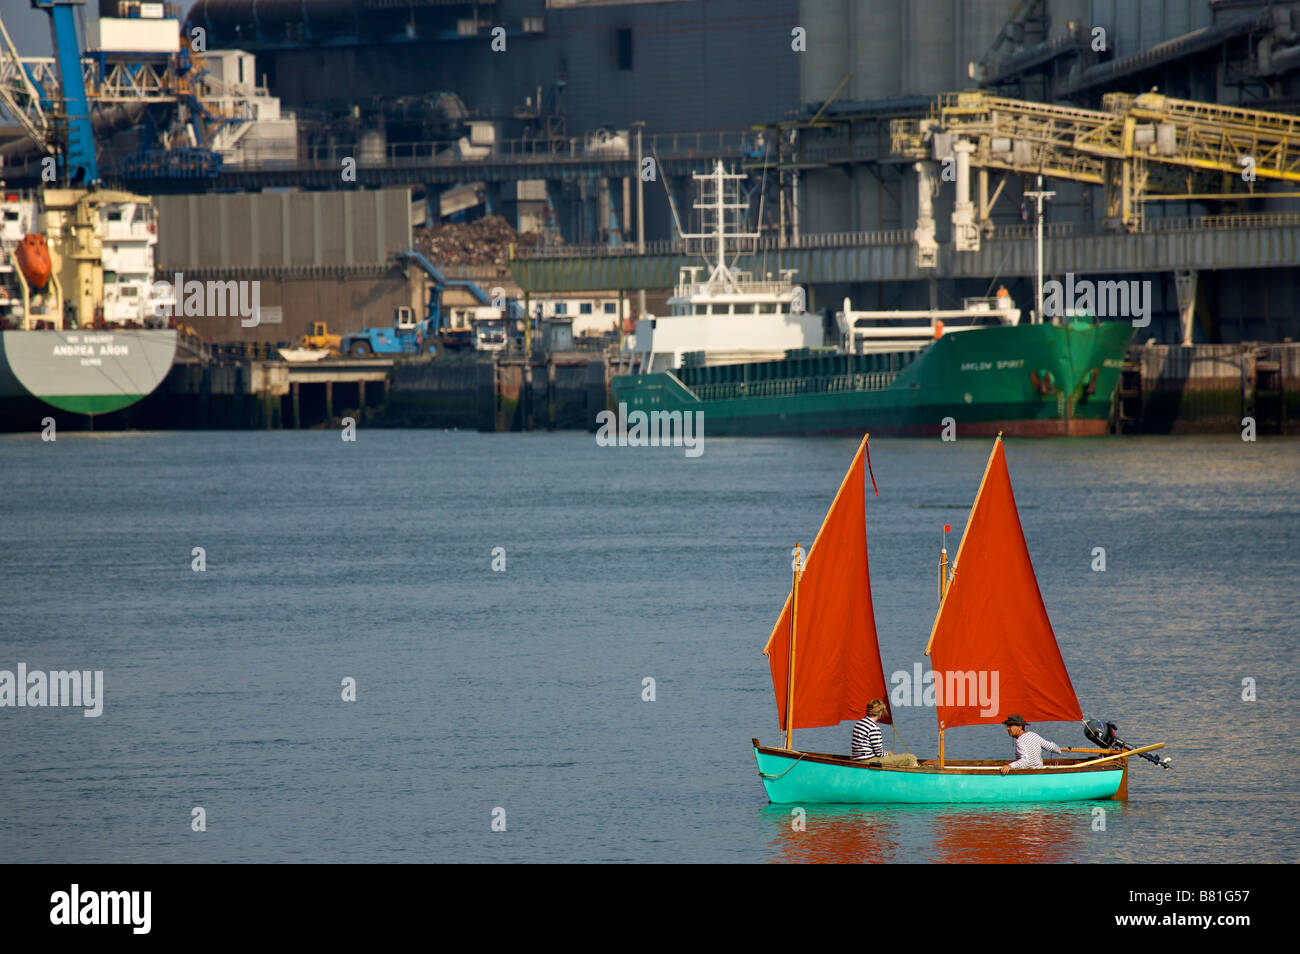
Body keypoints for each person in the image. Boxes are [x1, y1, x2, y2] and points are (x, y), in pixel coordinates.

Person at [851, 699, 918, 767]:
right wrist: (887, 754)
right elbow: (879, 754)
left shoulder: (858, 723)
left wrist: (887, 753)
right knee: (910, 758)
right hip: (868, 760)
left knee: (890, 753)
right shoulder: (873, 728)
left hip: (858, 759)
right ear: (880, 712)